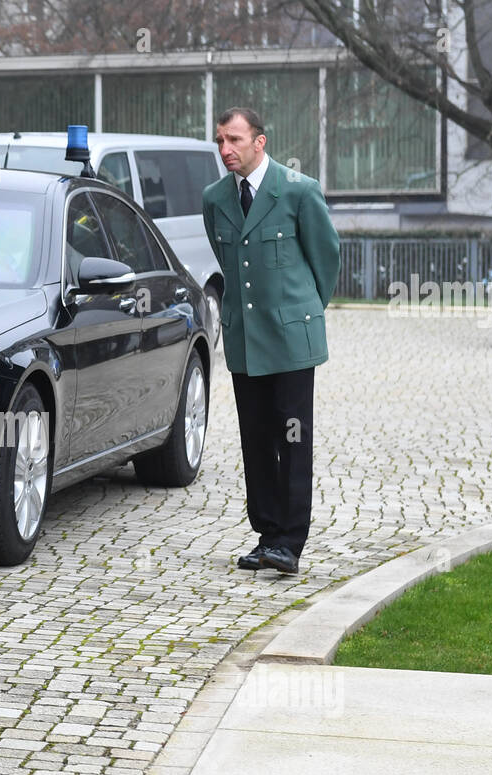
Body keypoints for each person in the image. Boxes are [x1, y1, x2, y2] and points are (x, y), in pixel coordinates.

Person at [202, 107, 339, 576]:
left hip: (292, 341)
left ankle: (291, 542)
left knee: (292, 437)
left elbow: (325, 260)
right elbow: (228, 262)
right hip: (246, 341)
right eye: (219, 140)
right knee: (256, 439)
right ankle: (266, 534)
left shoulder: (298, 190)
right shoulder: (215, 198)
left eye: (235, 140)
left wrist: (302, 313)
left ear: (260, 142)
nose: (226, 150)